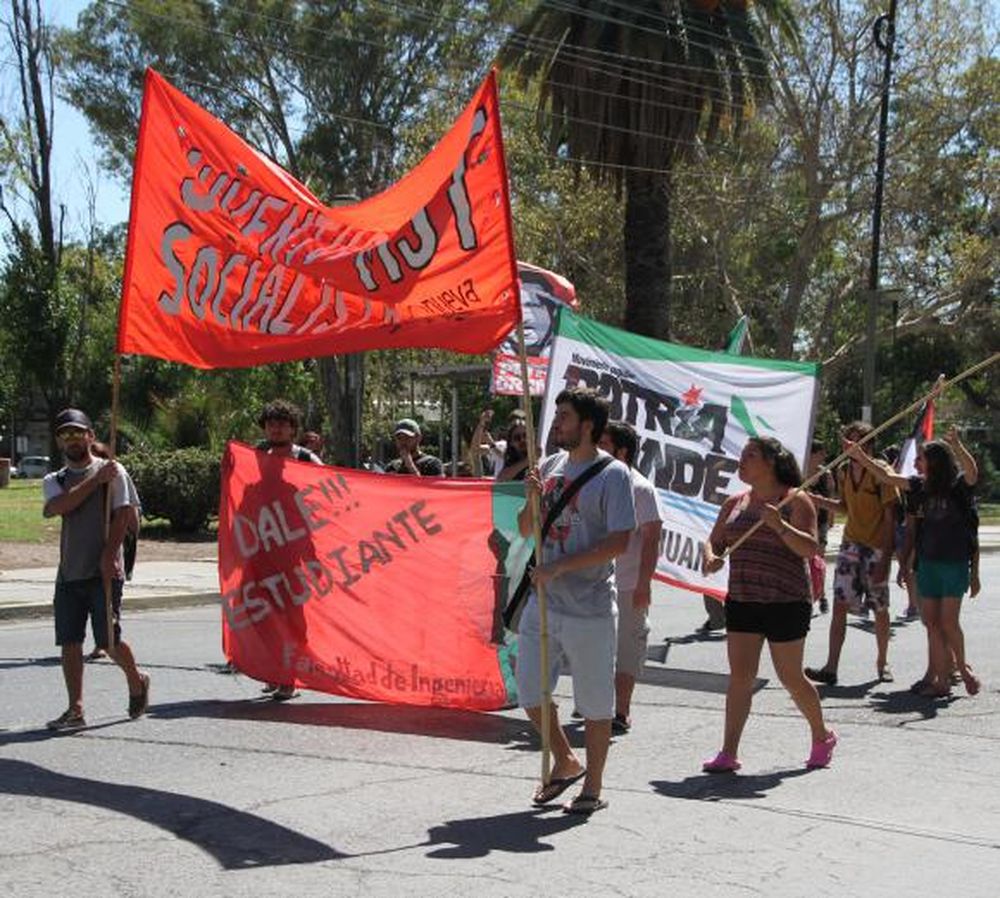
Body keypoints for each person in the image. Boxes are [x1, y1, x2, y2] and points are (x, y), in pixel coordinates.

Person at [517, 387, 635, 815]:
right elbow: (527, 529)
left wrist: (562, 567)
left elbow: (620, 541)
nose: (556, 423)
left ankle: (593, 788)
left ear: (587, 425)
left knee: (595, 701)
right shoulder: (548, 466)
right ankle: (567, 760)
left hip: (590, 606)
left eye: (564, 417)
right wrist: (531, 498)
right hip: (544, 601)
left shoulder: (613, 475)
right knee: (529, 689)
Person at [701, 437, 837, 771]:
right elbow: (713, 541)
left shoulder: (794, 499)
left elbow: (809, 548)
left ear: (771, 463)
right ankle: (728, 752)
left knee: (790, 676)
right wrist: (711, 558)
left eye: (750, 455)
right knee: (740, 677)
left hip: (786, 600)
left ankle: (822, 735)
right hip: (743, 598)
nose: (742, 460)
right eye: (743, 454)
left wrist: (780, 525)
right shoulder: (735, 502)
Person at [848, 427, 980, 697]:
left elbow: (972, 472)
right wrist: (860, 455)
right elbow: (887, 476)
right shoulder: (920, 486)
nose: (918, 462)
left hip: (953, 565)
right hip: (927, 564)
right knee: (931, 623)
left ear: (936, 461)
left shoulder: (957, 487)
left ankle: (962, 670)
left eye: (922, 457)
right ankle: (941, 681)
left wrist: (957, 445)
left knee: (948, 623)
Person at [43, 408, 150, 730]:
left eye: (78, 433)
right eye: (66, 435)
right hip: (69, 572)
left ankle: (137, 679)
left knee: (108, 641)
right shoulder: (55, 479)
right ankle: (75, 708)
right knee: (70, 641)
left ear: (91, 435)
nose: (73, 440)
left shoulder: (114, 472)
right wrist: (93, 482)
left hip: (103, 572)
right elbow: (57, 507)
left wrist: (109, 555)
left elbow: (123, 515)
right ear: (59, 442)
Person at [805, 422, 898, 687]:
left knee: (880, 607)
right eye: (848, 441)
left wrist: (886, 559)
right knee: (840, 606)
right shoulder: (844, 471)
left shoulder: (882, 472)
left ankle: (883, 663)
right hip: (851, 546)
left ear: (868, 445)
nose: (849, 446)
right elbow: (845, 506)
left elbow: (891, 518)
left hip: (876, 548)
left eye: (857, 441)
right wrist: (818, 500)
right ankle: (831, 667)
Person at [597, 421, 663, 735]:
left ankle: (620, 711)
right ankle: (598, 702)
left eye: (604, 444)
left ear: (622, 451)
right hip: (595, 583)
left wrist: (643, 584)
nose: (597, 449)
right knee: (597, 648)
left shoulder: (640, 488)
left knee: (627, 648)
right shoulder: (594, 482)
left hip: (627, 585)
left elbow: (652, 539)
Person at [255, 400, 322, 698]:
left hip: (294, 549)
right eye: (271, 423)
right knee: (263, 614)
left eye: (282, 423)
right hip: (259, 548)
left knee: (292, 615)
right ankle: (273, 670)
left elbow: (325, 493)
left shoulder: (306, 459)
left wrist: (313, 553)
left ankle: (290, 675)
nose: (276, 428)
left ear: (293, 428)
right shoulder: (255, 455)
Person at [806, 439, 836, 615]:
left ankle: (821, 594)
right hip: (803, 521)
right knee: (806, 560)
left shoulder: (826, 474)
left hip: (821, 521)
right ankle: (809, 595)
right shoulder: (799, 472)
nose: (824, 456)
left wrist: (831, 519)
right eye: (821, 452)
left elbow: (831, 497)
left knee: (819, 560)